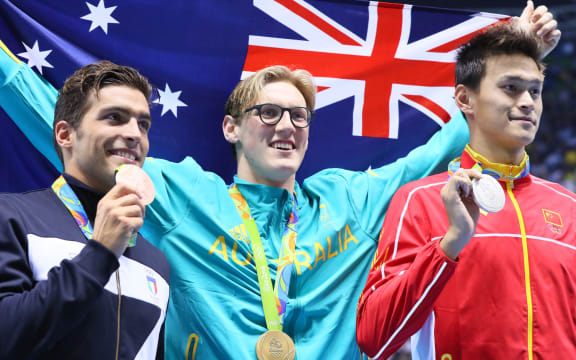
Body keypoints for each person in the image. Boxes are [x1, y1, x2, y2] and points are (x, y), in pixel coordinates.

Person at [0, 2, 559, 358]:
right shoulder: (182, 195)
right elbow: (53, 117)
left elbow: (443, 142)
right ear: (231, 129)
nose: (287, 124)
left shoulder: (352, 200)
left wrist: (508, 47)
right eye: (268, 112)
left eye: (298, 116)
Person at [356, 14, 571, 360]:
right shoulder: (420, 200)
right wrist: (449, 244)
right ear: (464, 99)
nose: (528, 102)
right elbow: (374, 337)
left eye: (535, 91)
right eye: (511, 88)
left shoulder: (568, 206)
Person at [0, 61, 170, 359]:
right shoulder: (11, 217)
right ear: (65, 135)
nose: (135, 134)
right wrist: (100, 252)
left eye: (143, 124)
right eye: (115, 118)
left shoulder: (156, 261)